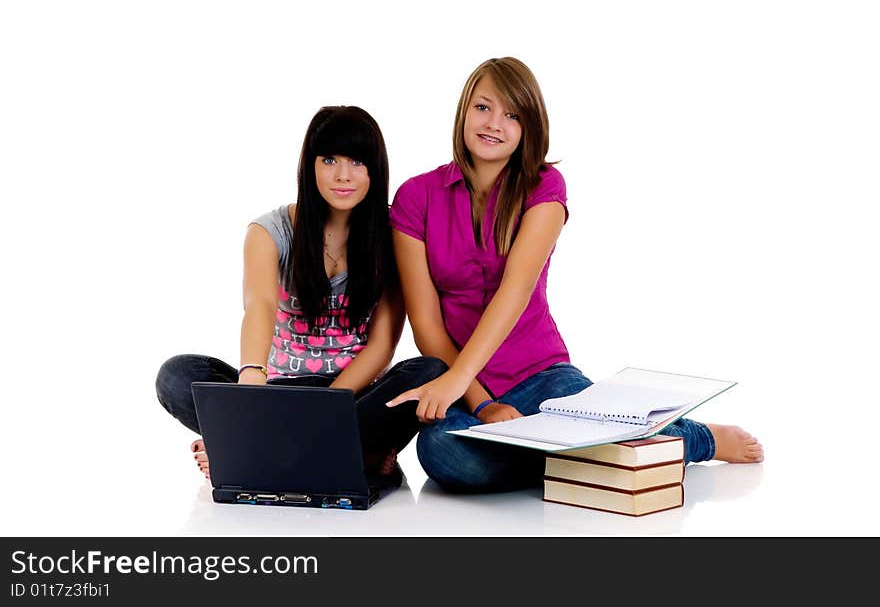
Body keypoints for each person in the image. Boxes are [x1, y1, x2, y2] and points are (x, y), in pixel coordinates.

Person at [387, 57, 763, 493]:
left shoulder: (545, 186)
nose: (494, 124)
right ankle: (585, 458)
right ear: (464, 110)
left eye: (513, 115)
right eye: (483, 108)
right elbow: (427, 325)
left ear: (529, 127)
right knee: (443, 454)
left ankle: (698, 438)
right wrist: (480, 401)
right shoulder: (416, 196)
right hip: (464, 386)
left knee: (591, 427)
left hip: (541, 375)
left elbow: (516, 291)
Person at [156, 105, 446, 482]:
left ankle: (249, 451)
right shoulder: (268, 232)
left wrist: (325, 410)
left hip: (353, 396)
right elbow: (258, 306)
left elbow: (382, 347)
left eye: (357, 161)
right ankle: (350, 454)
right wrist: (250, 390)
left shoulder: (393, 235)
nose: (343, 175)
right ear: (309, 166)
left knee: (430, 371)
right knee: (176, 374)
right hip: (278, 394)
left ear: (376, 169)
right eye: (329, 160)